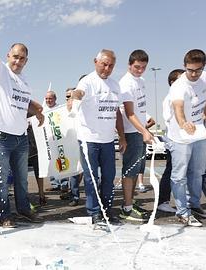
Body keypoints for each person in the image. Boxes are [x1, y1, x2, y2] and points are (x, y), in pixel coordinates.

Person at [0, 17, 45, 228]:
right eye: (15, 57)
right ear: (9, 55)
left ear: (26, 61)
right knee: (0, 179)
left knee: (22, 180)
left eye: (22, 59)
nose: (18, 61)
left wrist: (37, 112)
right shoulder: (0, 72)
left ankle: (24, 208)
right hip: (0, 135)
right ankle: (3, 214)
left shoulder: (24, 80)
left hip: (21, 137)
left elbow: (23, 102)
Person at [159, 69, 206, 213]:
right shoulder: (170, 99)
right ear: (173, 83)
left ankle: (205, 202)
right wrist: (185, 124)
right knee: (176, 173)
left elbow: (201, 105)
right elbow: (176, 118)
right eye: (181, 78)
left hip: (194, 139)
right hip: (177, 142)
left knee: (199, 171)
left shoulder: (191, 93)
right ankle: (175, 205)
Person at [69, 49, 126, 225]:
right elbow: (78, 93)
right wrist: (74, 100)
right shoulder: (87, 82)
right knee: (91, 177)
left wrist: (122, 137)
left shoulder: (115, 86)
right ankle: (94, 211)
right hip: (89, 139)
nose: (107, 69)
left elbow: (116, 112)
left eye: (111, 66)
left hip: (108, 141)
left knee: (109, 176)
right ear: (95, 62)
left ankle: (107, 210)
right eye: (104, 64)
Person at [165, 49, 206, 227]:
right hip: (179, 134)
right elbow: (178, 108)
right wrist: (183, 123)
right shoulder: (178, 86)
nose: (194, 74)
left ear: (204, 67)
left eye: (198, 70)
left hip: (199, 131)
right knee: (179, 175)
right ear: (184, 66)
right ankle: (182, 211)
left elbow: (205, 100)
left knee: (198, 171)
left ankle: (194, 205)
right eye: (190, 70)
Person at [118, 49, 154, 222]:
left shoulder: (141, 81)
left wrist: (146, 128)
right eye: (137, 67)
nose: (140, 70)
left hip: (139, 131)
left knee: (136, 170)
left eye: (143, 67)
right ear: (129, 65)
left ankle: (130, 203)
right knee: (130, 171)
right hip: (131, 132)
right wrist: (144, 131)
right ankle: (126, 208)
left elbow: (140, 111)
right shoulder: (126, 83)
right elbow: (130, 113)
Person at [43, 90, 69, 193]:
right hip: (48, 140)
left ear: (55, 99)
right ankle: (55, 184)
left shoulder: (60, 109)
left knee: (61, 162)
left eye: (50, 98)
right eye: (46, 99)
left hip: (59, 140)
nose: (48, 100)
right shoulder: (43, 110)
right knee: (51, 162)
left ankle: (64, 184)